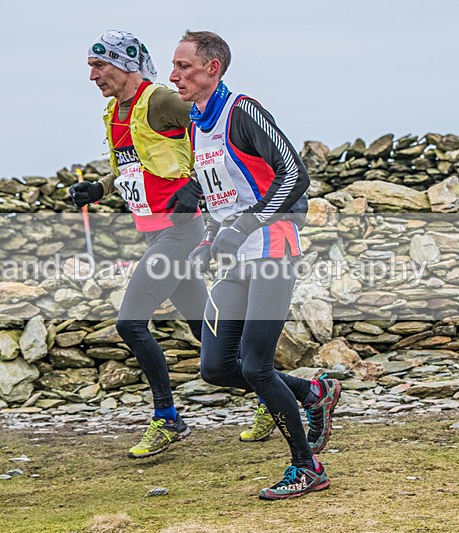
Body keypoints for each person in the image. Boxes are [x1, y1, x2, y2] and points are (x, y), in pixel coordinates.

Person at [170, 30, 342, 500]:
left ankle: (307, 468)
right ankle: (313, 395)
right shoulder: (194, 123)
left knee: (256, 366)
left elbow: (295, 174)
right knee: (217, 367)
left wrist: (243, 226)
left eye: (184, 66)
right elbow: (213, 191)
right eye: (174, 66)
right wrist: (209, 238)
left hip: (271, 248)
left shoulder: (242, 111)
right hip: (232, 258)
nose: (173, 75)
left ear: (213, 69)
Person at [70, 29, 207, 459]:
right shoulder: (115, 112)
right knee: (207, 330)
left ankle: (167, 418)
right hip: (155, 230)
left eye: (99, 65)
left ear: (125, 64)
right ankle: (290, 395)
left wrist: (198, 186)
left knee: (130, 323)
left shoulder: (162, 100)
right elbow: (138, 166)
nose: (92, 76)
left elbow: (214, 136)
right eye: (90, 67)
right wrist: (99, 189)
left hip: (180, 231)